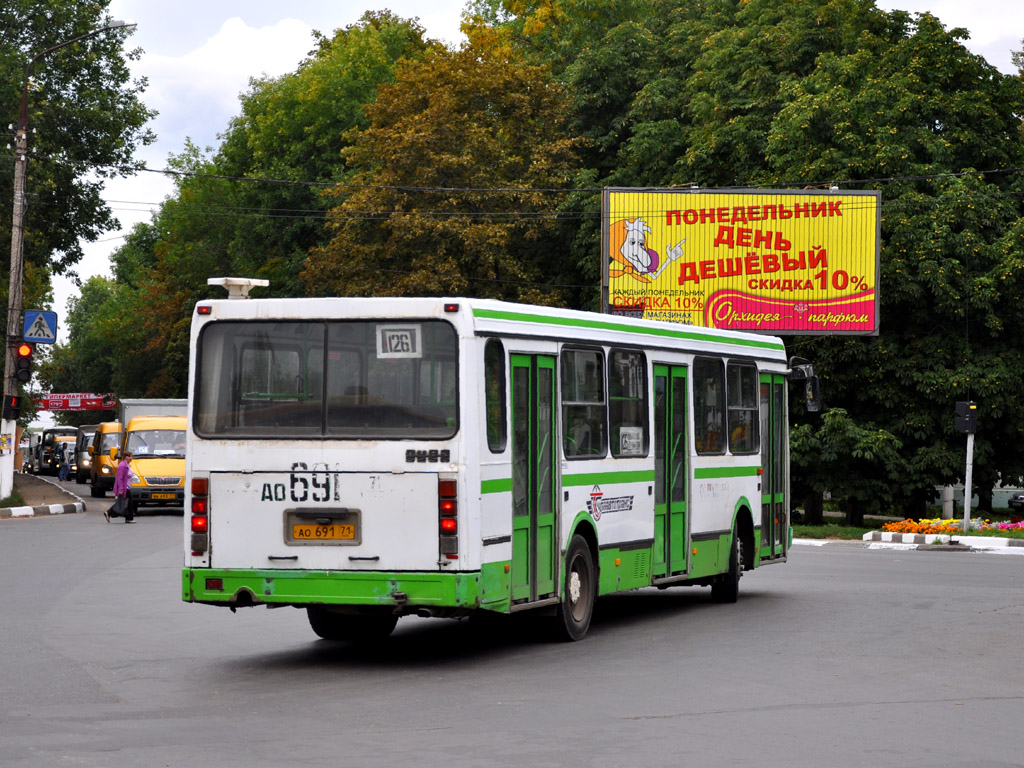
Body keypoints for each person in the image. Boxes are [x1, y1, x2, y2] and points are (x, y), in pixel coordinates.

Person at [108, 449, 136, 524]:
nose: (131, 458)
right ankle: (129, 518)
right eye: (129, 456)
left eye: (131, 456)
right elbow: (119, 478)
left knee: (123, 503)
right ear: (125, 457)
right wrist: (121, 489)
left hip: (126, 487)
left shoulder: (127, 465)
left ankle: (109, 512)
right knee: (128, 503)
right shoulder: (122, 466)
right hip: (124, 488)